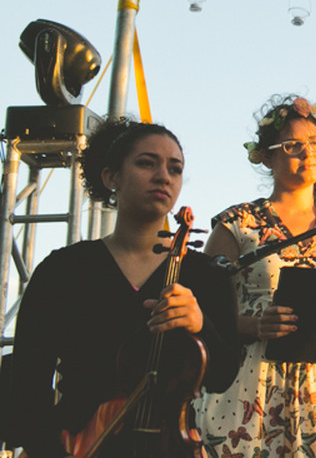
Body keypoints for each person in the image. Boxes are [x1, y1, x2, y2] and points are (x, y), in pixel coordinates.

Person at [11, 117, 239, 458]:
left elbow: (223, 376)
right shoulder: (63, 270)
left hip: (170, 447)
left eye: (175, 169)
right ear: (111, 178)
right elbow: (28, 381)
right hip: (79, 444)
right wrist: (48, 450)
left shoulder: (204, 274)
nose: (164, 176)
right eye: (147, 163)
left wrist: (200, 324)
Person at [195, 95, 316, 458]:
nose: (307, 153)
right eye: (292, 146)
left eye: (315, 143)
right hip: (249, 381)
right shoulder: (236, 225)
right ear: (266, 156)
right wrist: (254, 325)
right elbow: (201, 313)